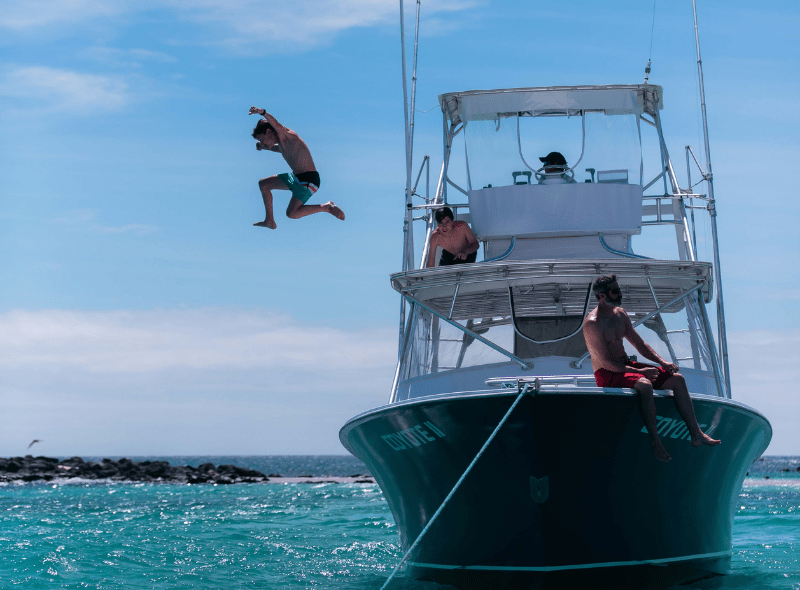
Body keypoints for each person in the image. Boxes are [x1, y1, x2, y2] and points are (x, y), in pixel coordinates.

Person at [582, 274, 721, 462]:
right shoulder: (592, 324)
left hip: (625, 366)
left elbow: (640, 345)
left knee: (677, 379)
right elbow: (605, 362)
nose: (620, 294)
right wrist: (639, 372)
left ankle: (697, 434)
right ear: (602, 296)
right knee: (645, 385)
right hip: (607, 373)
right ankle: (656, 442)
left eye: (619, 289)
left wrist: (663, 362)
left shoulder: (620, 315)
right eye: (615, 291)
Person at [248, 106, 345, 229]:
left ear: (268, 132)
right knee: (263, 184)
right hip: (295, 178)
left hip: (308, 180)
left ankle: (327, 207)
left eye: (262, 139)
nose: (262, 142)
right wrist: (263, 147)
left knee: (292, 213)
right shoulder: (283, 145)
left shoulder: (287, 135)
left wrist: (263, 112)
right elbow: (276, 148)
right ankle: (269, 221)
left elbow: (276, 125)